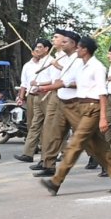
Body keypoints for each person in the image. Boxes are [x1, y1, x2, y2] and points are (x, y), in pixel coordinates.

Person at [40, 37, 111, 196]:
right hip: (81, 107)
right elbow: (64, 82)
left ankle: (56, 181)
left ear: (85, 50)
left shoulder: (97, 67)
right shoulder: (80, 67)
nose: (76, 50)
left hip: (93, 108)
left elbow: (103, 94)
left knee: (75, 143)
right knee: (99, 147)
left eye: (79, 48)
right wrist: (45, 87)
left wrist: (103, 117)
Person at [33, 30, 82, 177]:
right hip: (60, 99)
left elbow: (78, 82)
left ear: (73, 44)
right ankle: (49, 165)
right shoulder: (65, 59)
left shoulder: (79, 60)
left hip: (74, 103)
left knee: (86, 137)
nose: (57, 41)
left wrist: (54, 84)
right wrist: (45, 87)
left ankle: (103, 162)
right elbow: (59, 81)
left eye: (63, 40)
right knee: (54, 133)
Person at [14, 39, 53, 163]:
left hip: (47, 95)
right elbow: (24, 83)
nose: (36, 50)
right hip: (33, 96)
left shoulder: (52, 62)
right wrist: (21, 97)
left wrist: (39, 84)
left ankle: (58, 152)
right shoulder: (30, 65)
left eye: (39, 47)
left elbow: (55, 81)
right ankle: (28, 153)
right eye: (35, 48)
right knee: (34, 125)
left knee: (51, 125)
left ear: (46, 49)